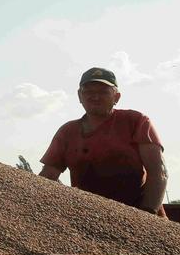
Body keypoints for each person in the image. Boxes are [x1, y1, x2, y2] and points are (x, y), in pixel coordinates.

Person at [39, 67, 168, 216]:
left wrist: (147, 215)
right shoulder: (67, 131)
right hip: (91, 217)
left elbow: (159, 173)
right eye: (88, 92)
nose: (95, 97)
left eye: (103, 92)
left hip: (140, 213)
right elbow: (48, 175)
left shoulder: (136, 121)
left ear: (116, 97)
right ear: (80, 96)